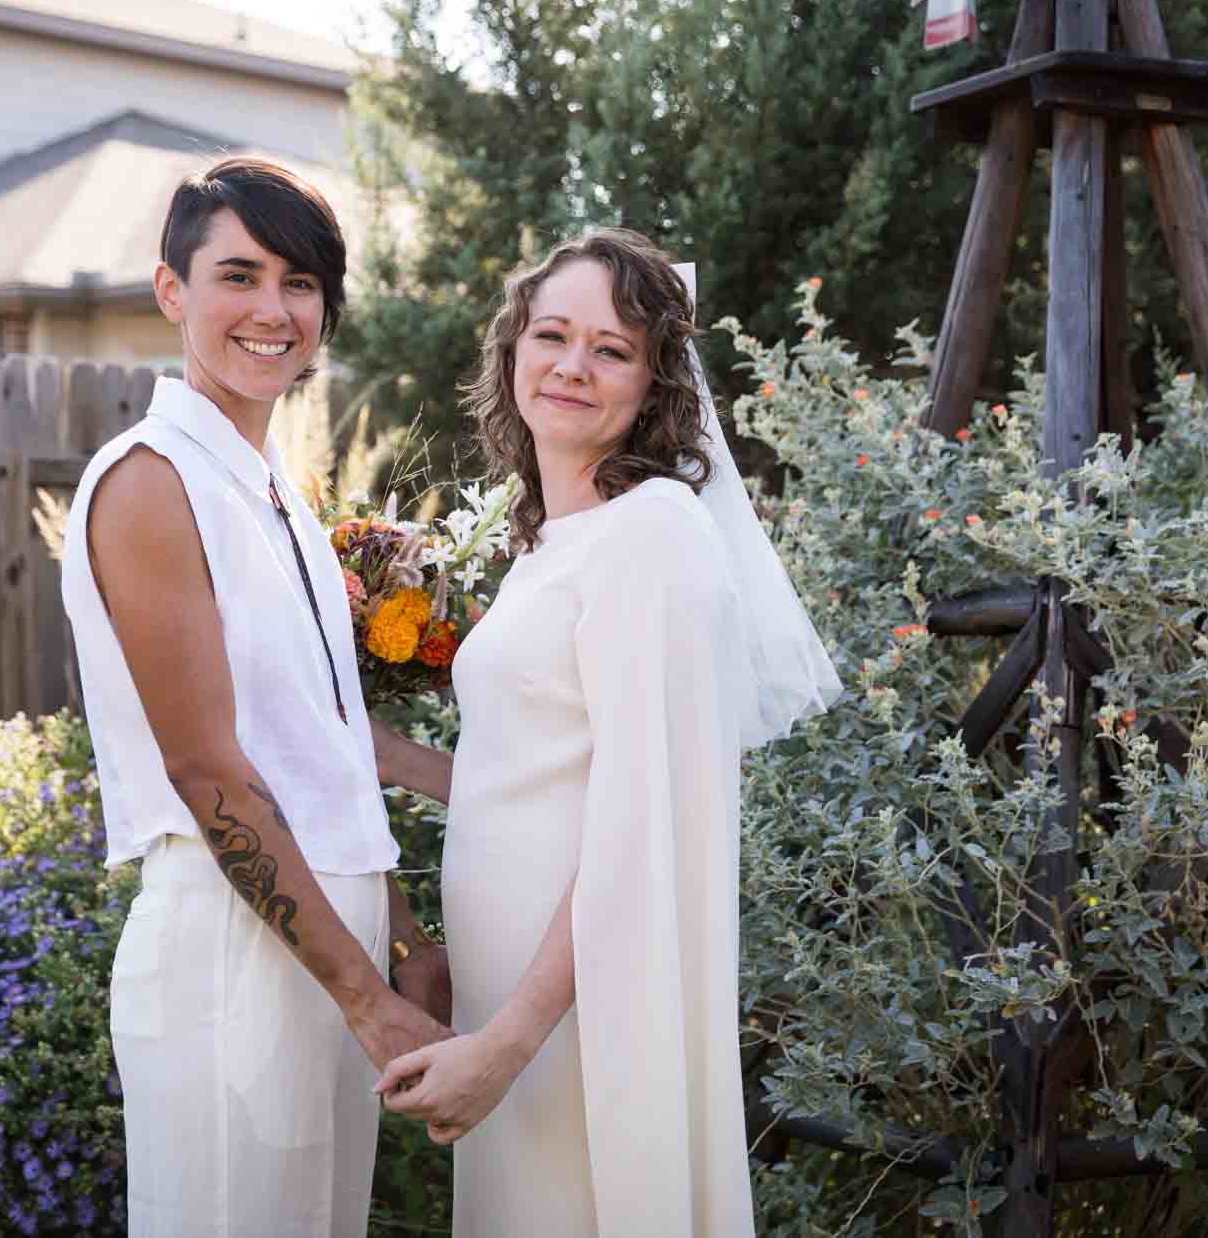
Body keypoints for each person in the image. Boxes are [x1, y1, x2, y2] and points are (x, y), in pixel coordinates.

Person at [374, 229, 841, 1235]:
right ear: (512, 350)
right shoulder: (554, 542)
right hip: (511, 1001)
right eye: (551, 333)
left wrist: (505, 1043)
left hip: (578, 1016)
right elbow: (537, 779)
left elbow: (641, 822)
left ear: (655, 382)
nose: (572, 365)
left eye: (611, 348)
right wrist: (373, 752)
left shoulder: (653, 535)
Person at [60, 157, 457, 1238]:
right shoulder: (151, 481)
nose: (273, 310)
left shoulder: (268, 485)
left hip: (328, 942)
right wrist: (364, 995)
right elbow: (210, 774)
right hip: (234, 958)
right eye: (238, 275)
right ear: (170, 291)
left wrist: (401, 930)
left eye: (301, 282)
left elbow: (319, 746)